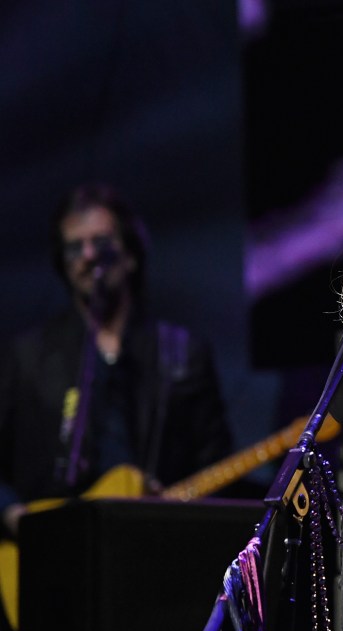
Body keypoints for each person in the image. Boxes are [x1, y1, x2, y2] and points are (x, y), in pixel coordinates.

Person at [0, 182, 233, 539]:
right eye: (74, 247)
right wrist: (12, 515)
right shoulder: (27, 356)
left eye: (102, 243)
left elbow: (216, 464)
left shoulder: (183, 353)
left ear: (130, 255)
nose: (88, 255)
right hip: (47, 550)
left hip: (152, 544)